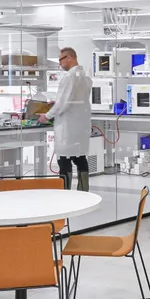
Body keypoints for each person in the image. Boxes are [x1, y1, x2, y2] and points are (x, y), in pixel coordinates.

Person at [38, 47, 92, 191]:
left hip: (68, 128)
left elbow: (63, 103)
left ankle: (65, 194)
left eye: (61, 59)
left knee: (64, 160)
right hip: (81, 126)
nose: (60, 63)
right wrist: (57, 103)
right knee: (80, 159)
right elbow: (74, 100)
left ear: (69, 58)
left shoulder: (69, 77)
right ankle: (83, 192)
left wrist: (46, 116)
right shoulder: (85, 77)